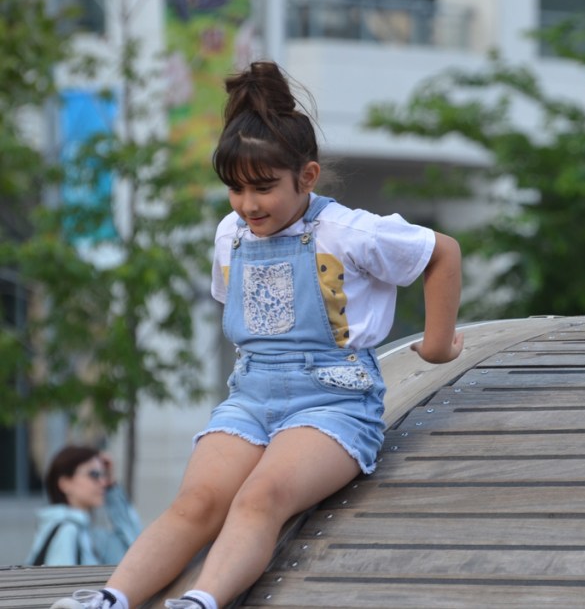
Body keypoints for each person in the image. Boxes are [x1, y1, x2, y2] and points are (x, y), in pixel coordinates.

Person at [51, 61, 464, 609]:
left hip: (334, 402)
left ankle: (200, 602)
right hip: (250, 397)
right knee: (195, 504)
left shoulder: (346, 230)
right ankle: (109, 598)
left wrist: (437, 345)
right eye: (235, 189)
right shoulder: (232, 234)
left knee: (259, 498)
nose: (248, 205)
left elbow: (442, 251)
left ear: (308, 177)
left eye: (264, 188)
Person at [26, 445, 142, 566]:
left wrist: (112, 488)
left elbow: (135, 552)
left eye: (104, 475)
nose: (103, 482)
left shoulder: (88, 534)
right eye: (94, 474)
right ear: (65, 483)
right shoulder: (67, 531)